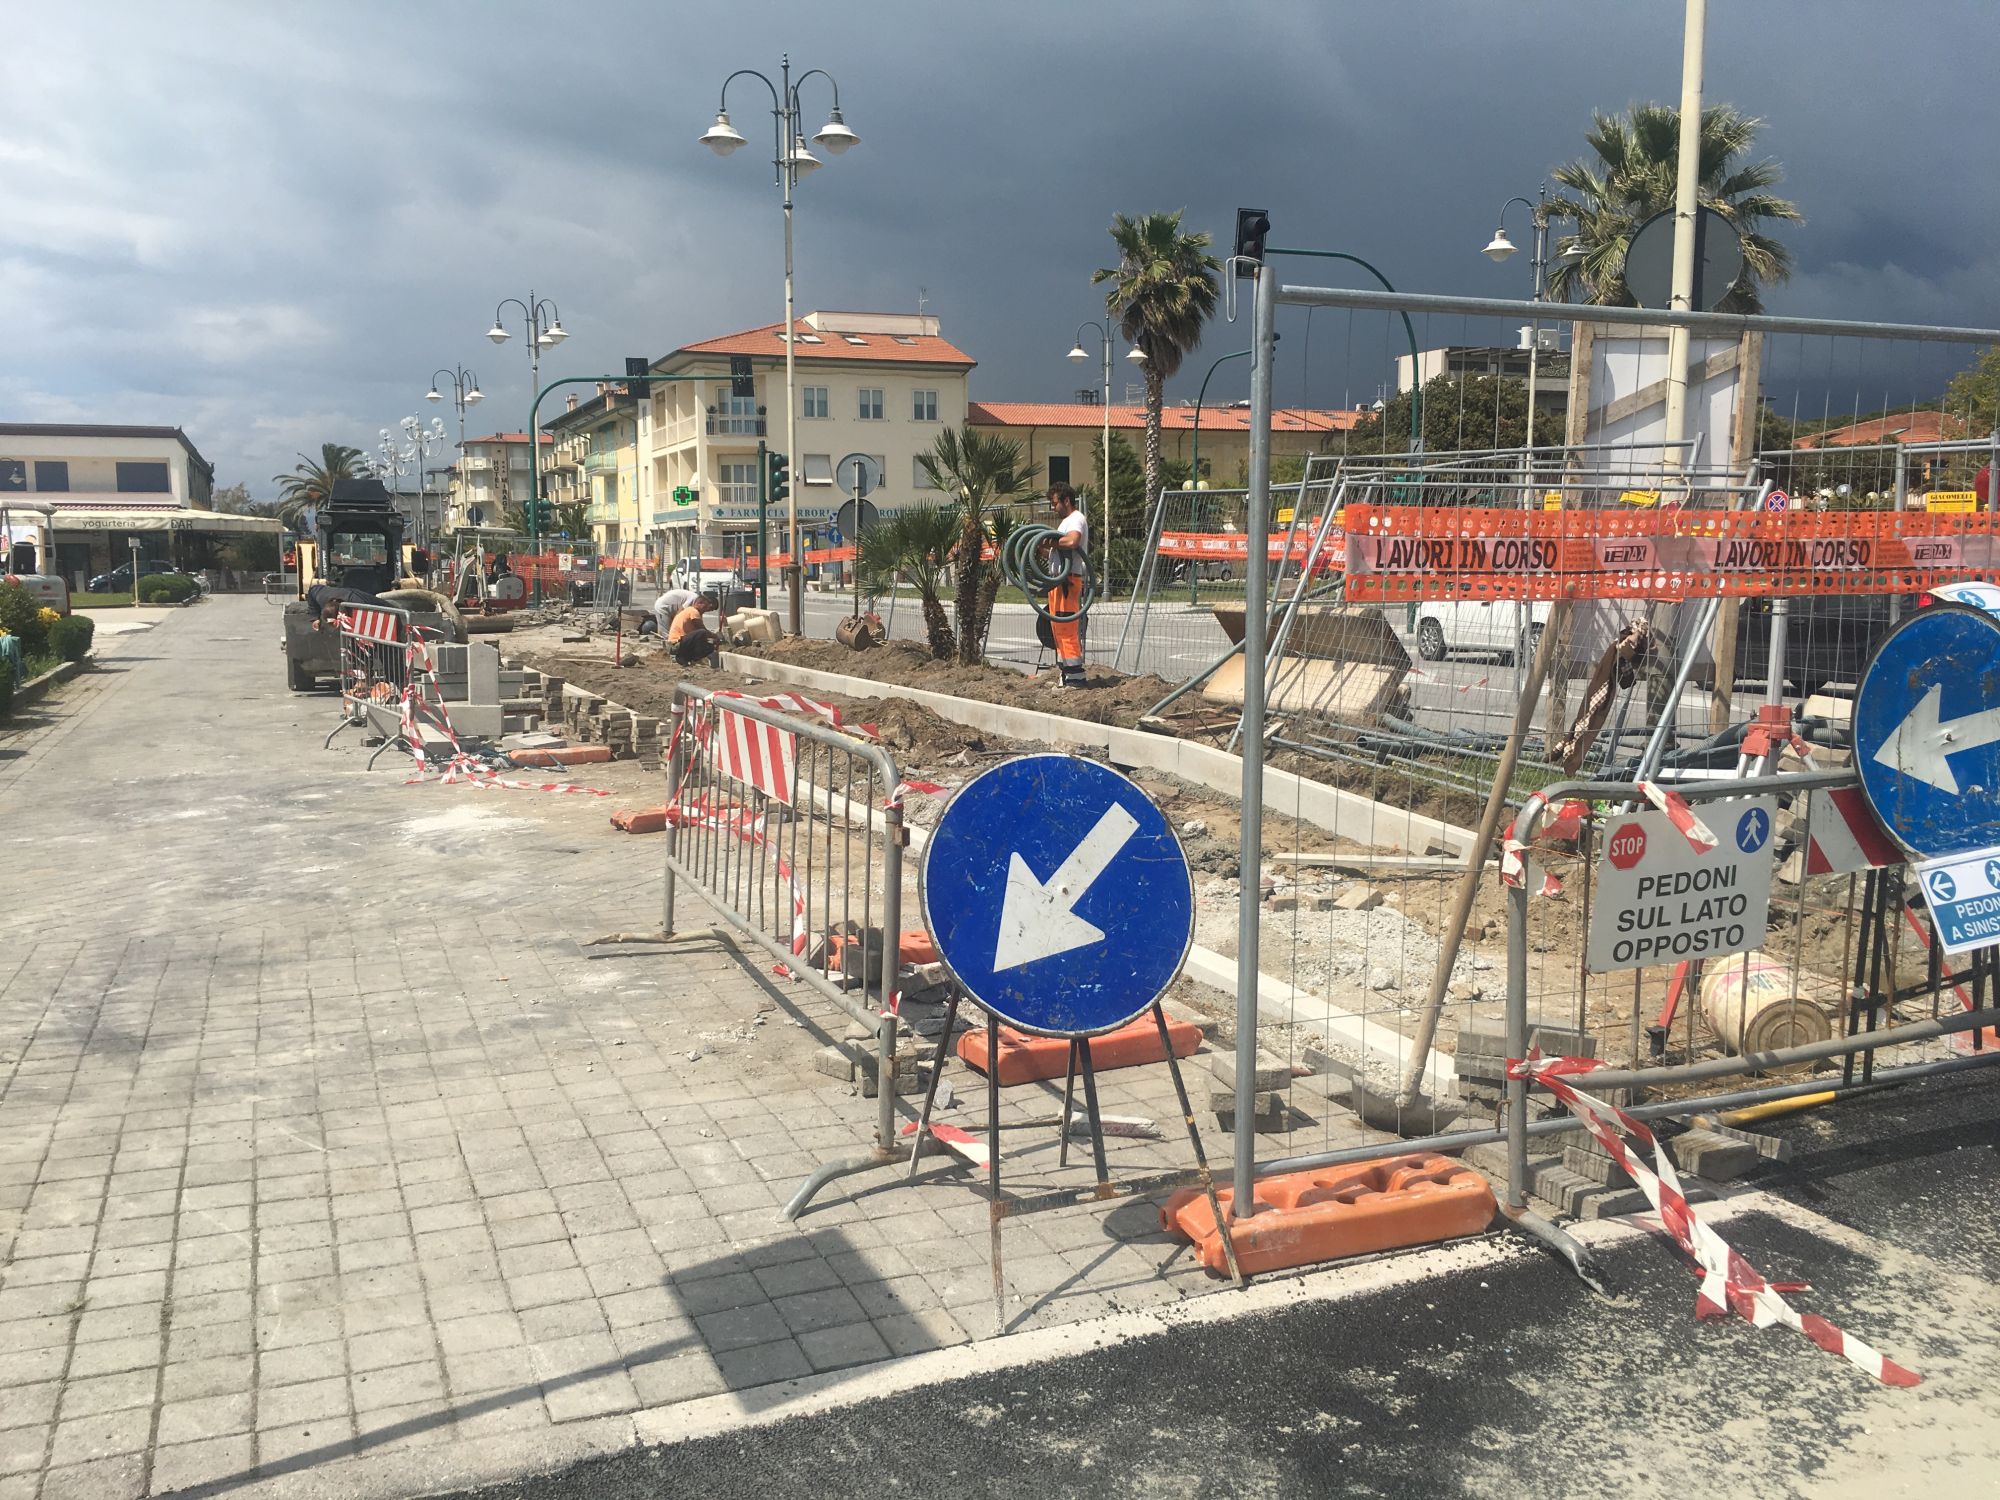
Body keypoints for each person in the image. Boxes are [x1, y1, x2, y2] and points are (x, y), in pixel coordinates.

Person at [1045, 482, 1089, 687]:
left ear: (1066, 500)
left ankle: (1076, 677)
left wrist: (1050, 543)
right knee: (1058, 629)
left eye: (1055, 503)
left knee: (1067, 628)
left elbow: (1072, 542)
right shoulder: (1065, 522)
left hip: (1068, 581)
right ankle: (1065, 675)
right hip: (1057, 582)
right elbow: (1057, 550)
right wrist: (1041, 547)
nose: (1053, 508)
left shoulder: (1076, 519)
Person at [667, 591, 721, 667]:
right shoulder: (693, 611)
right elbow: (703, 631)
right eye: (707, 606)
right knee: (702, 633)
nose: (707, 610)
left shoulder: (692, 612)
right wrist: (716, 636)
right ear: (699, 603)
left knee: (709, 646)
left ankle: (686, 659)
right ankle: (691, 659)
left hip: (682, 643)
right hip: (676, 643)